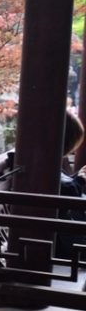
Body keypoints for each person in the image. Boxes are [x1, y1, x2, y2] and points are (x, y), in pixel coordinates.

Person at [57, 110, 86, 258]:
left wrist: (79, 177)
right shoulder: (43, 163)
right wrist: (80, 179)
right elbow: (68, 192)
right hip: (63, 245)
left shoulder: (42, 160)